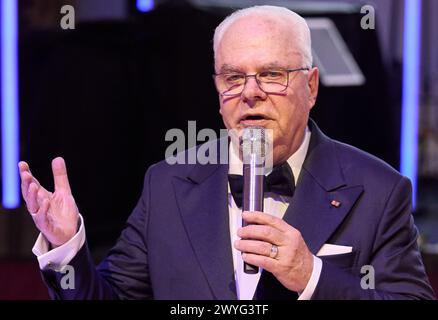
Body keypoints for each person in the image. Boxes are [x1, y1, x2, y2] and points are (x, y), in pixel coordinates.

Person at [19, 5, 435, 300]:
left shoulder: (379, 189)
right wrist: (67, 246)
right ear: (218, 93)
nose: (250, 93)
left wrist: (312, 276)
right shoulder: (167, 183)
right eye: (233, 77)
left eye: (272, 75)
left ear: (310, 87)